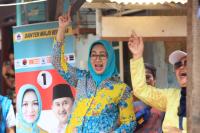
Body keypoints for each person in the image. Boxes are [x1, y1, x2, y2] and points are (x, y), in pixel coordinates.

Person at [51, 12, 137, 132]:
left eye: (102, 55)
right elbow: (57, 62)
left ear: (110, 59)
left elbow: (129, 124)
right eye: (94, 55)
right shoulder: (82, 78)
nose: (97, 59)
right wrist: (62, 28)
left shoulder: (121, 90)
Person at [128, 33, 187, 133]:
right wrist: (137, 56)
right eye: (178, 64)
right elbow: (141, 90)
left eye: (187, 63)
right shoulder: (171, 96)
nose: (181, 67)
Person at [134, 63, 165, 133]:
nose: (144, 81)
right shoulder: (129, 101)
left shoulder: (163, 102)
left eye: (147, 77)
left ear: (154, 80)